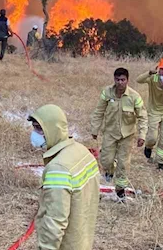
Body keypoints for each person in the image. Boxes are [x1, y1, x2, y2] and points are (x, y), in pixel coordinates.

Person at [28, 104, 100, 250]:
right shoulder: (81, 151)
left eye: (39, 128)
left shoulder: (58, 169)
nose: (34, 133)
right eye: (34, 127)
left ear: (53, 129)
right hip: (83, 239)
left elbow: (55, 220)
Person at [90, 67, 147, 200]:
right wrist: (95, 129)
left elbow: (142, 117)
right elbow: (99, 112)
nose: (120, 82)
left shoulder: (134, 96)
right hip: (110, 132)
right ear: (114, 79)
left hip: (127, 136)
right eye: (117, 79)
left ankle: (120, 189)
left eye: (123, 80)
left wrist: (142, 135)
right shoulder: (107, 93)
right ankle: (110, 170)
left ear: (127, 80)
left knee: (123, 162)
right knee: (105, 160)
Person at [136, 57, 163, 170]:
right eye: (162, 69)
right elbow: (138, 80)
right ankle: (149, 146)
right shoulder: (152, 78)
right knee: (152, 137)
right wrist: (149, 73)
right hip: (153, 112)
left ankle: (161, 162)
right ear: (158, 68)